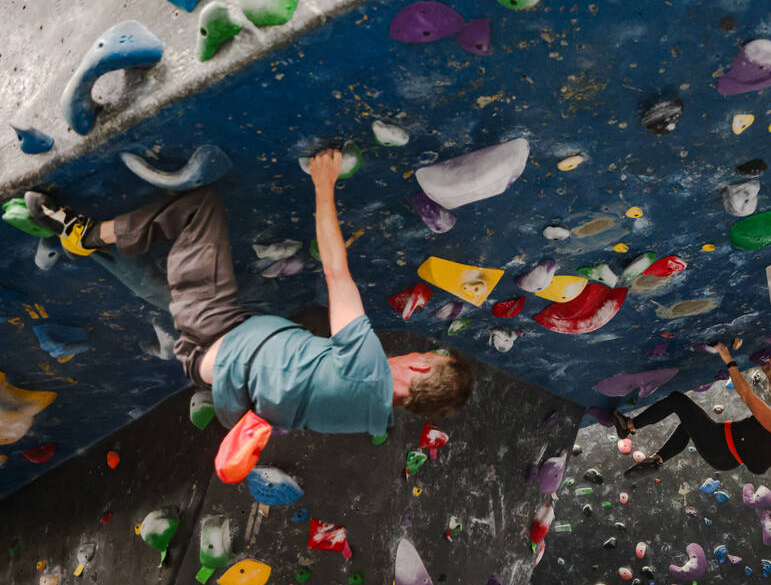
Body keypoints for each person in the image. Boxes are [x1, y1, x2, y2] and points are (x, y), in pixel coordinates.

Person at [25, 148, 473, 481]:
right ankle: (211, 319)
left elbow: (338, 271)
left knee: (199, 213)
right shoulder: (368, 417)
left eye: (427, 354)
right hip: (240, 359)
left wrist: (323, 183)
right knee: (259, 295)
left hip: (215, 335)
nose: (418, 349)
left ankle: (83, 235)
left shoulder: (366, 366)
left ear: (419, 366)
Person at [611, 341, 771, 476]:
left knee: (678, 401)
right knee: (689, 425)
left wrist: (728, 359)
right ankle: (659, 459)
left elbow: (747, 396)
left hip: (719, 445)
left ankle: (628, 426)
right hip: (723, 454)